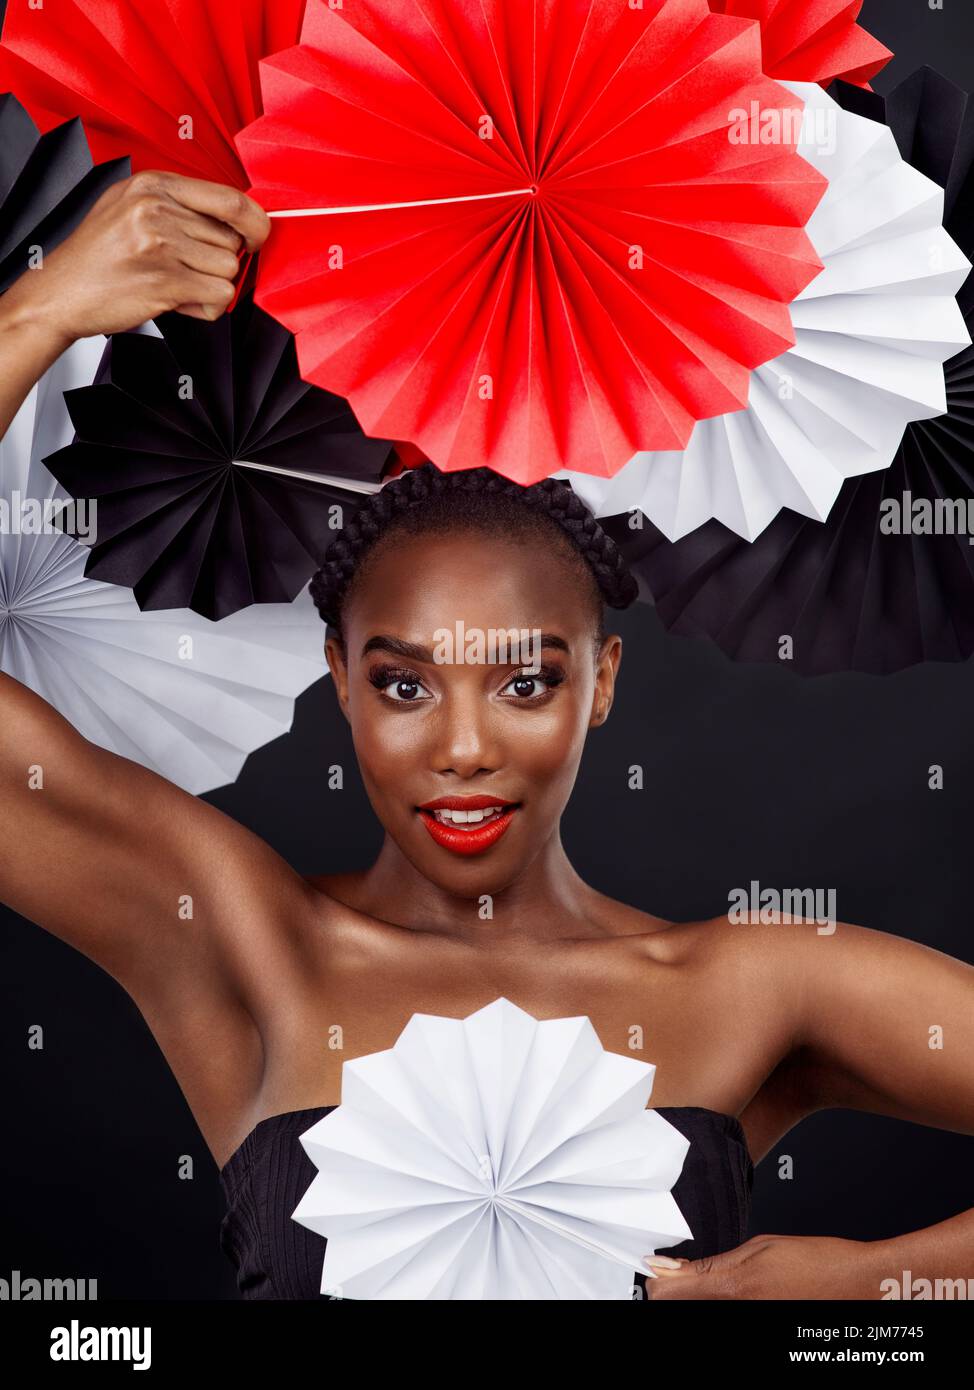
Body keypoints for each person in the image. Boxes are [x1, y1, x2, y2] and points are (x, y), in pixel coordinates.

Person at [1, 172, 972, 1302]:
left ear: (600, 683)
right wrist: (40, 313)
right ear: (341, 682)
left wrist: (876, 1283)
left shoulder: (750, 981)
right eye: (406, 684)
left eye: (523, 680)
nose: (464, 747)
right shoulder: (240, 941)